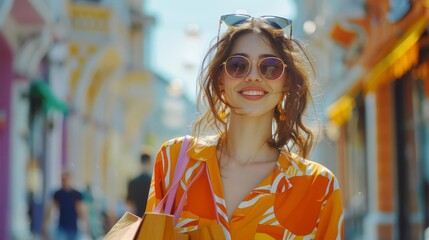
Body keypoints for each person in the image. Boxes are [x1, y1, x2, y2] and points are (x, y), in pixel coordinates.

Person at [146, 14, 344, 239]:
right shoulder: (176, 160)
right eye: (238, 65)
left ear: (286, 81)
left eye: (270, 67)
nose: (253, 76)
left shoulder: (318, 186)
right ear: (221, 78)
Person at [43, 171, 86, 240]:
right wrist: (45, 224)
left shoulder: (76, 194)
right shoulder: (58, 194)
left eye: (66, 180)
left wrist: (85, 224)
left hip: (73, 228)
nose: (64, 182)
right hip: (61, 228)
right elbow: (51, 208)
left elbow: (81, 210)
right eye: (63, 180)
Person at [126, 153, 152, 217]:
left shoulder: (132, 182)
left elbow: (129, 205)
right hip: (149, 219)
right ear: (149, 162)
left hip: (137, 219)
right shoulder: (153, 183)